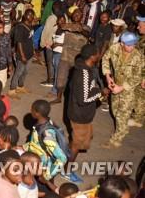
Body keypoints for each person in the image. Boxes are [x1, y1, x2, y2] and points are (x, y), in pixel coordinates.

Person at [64, 44, 103, 183]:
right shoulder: (83, 73)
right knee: (77, 144)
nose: (100, 54)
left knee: (78, 140)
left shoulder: (86, 68)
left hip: (81, 113)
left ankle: (64, 159)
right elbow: (83, 99)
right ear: (92, 56)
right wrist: (100, 93)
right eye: (98, 53)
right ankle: (67, 171)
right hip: (80, 115)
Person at [101, 31, 144, 148]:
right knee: (115, 111)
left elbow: (137, 77)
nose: (131, 47)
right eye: (129, 45)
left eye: (134, 45)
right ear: (122, 43)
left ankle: (117, 139)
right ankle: (123, 128)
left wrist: (122, 87)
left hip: (128, 89)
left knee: (122, 115)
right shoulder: (114, 48)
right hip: (115, 84)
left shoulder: (138, 56)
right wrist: (108, 76)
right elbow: (105, 59)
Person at [23, 100, 67, 189]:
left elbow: (62, 158)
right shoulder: (43, 123)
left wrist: (46, 176)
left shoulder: (46, 133)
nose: (30, 110)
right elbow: (38, 144)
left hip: (43, 170)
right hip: (37, 164)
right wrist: (24, 147)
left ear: (37, 113)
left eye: (32, 110)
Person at [10, 9, 35, 97]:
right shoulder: (20, 27)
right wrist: (22, 56)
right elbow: (19, 42)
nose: (31, 17)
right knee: (18, 72)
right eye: (29, 15)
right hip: (22, 54)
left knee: (25, 71)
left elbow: (30, 39)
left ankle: (20, 86)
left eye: (32, 15)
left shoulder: (31, 26)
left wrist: (33, 50)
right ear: (24, 15)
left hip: (29, 53)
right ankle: (12, 89)